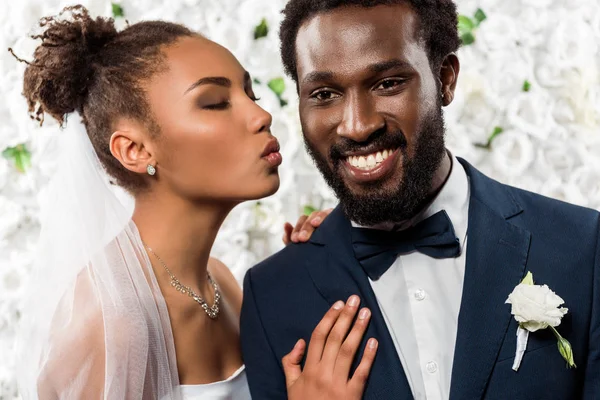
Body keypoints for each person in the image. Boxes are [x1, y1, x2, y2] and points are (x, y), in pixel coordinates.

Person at [13, 5, 378, 399]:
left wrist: (319, 254)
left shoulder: (223, 283)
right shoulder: (109, 325)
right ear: (134, 149)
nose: (261, 115)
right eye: (215, 102)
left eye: (250, 93)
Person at [240, 1, 600, 399]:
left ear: (445, 78)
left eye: (388, 83)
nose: (358, 126)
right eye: (324, 93)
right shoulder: (270, 292)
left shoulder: (583, 246)